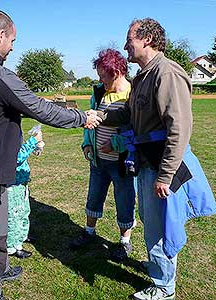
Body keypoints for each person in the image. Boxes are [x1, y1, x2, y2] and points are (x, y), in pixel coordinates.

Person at [0, 10, 101, 300]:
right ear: (1, 35)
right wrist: (82, 118)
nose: (13, 47)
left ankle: (0, 269)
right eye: (12, 40)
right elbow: (40, 108)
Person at [99, 18, 216, 300]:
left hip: (162, 166)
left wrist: (165, 175)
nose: (126, 44)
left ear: (147, 39)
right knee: (150, 220)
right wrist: (98, 115)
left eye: (130, 39)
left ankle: (164, 287)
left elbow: (179, 128)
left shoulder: (167, 74)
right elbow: (128, 114)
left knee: (160, 225)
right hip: (148, 163)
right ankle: (159, 268)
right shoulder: (143, 76)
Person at [70, 49, 136, 262]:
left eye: (103, 75)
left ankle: (125, 242)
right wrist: (87, 145)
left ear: (116, 71)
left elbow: (137, 130)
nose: (99, 79)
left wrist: (116, 144)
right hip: (98, 161)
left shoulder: (132, 94)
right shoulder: (99, 92)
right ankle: (89, 232)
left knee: (124, 200)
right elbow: (90, 122)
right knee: (94, 196)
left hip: (121, 163)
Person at [7, 126, 44, 259]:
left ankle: (22, 236)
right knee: (13, 215)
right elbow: (14, 158)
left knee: (23, 211)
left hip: (21, 181)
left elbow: (19, 150)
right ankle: (12, 246)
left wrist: (35, 147)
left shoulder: (13, 127)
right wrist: (33, 141)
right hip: (12, 183)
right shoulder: (3, 130)